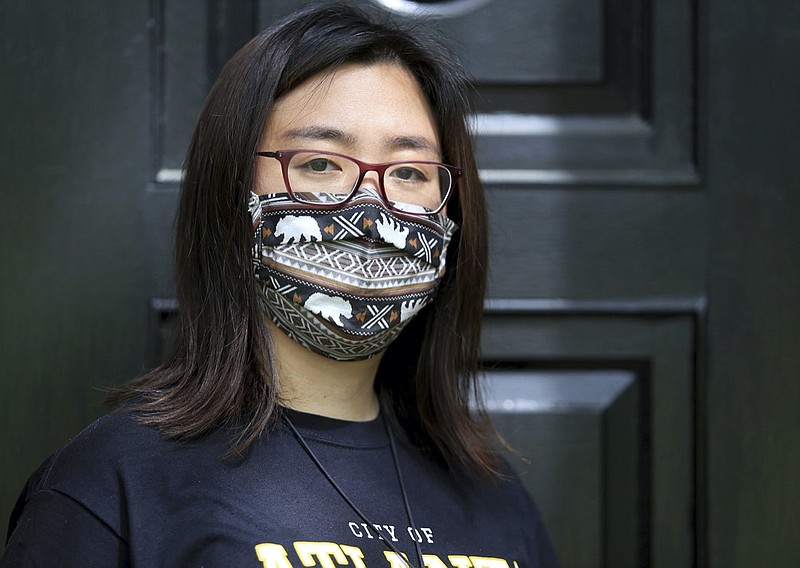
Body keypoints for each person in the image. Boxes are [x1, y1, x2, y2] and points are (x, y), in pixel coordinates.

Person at [2, 4, 558, 567]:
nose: (369, 207)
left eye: (410, 172)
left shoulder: (495, 496)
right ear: (230, 187)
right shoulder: (112, 485)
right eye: (319, 163)